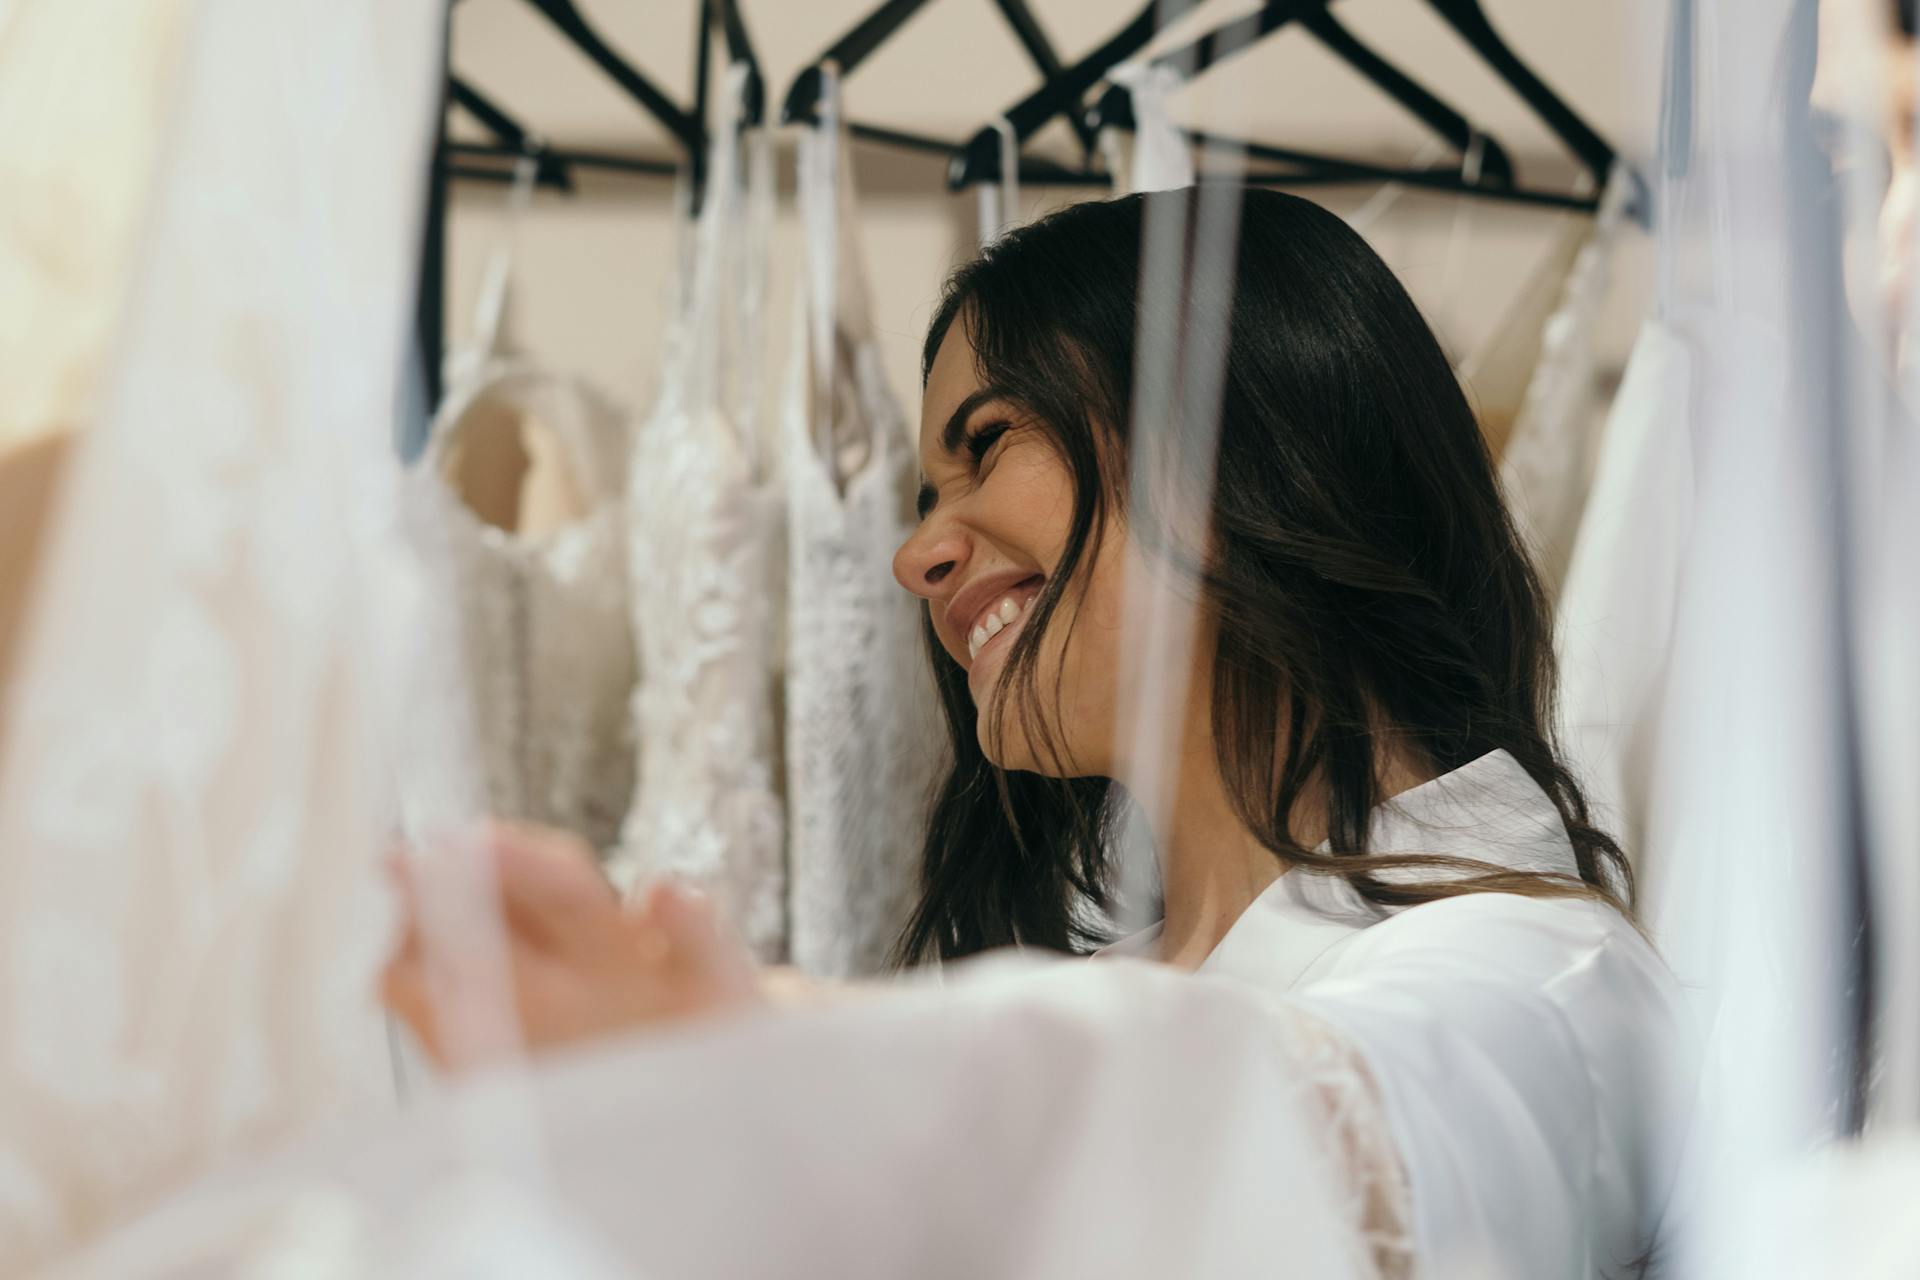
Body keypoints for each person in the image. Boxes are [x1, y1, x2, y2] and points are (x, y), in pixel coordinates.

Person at [383, 188, 1686, 1280]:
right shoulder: (1107, 950)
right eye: (921, 492)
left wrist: (767, 1058)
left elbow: (1312, 1140)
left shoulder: (1543, 980)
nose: (914, 554)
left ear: (1224, 436)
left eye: (988, 445)